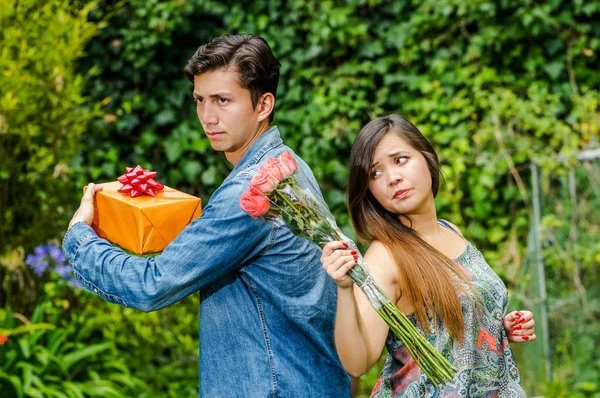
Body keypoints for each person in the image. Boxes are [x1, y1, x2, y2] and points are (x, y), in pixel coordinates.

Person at [63, 34, 350, 397]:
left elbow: (152, 286)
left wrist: (79, 238)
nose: (207, 117)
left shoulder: (250, 193)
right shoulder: (288, 166)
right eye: (200, 100)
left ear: (263, 105)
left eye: (222, 101)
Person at [321, 114, 535, 397]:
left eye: (400, 160)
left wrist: (494, 325)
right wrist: (345, 289)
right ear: (369, 190)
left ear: (427, 158)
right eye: (375, 173)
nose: (393, 178)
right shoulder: (386, 256)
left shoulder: (451, 230)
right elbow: (357, 361)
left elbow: (448, 328)